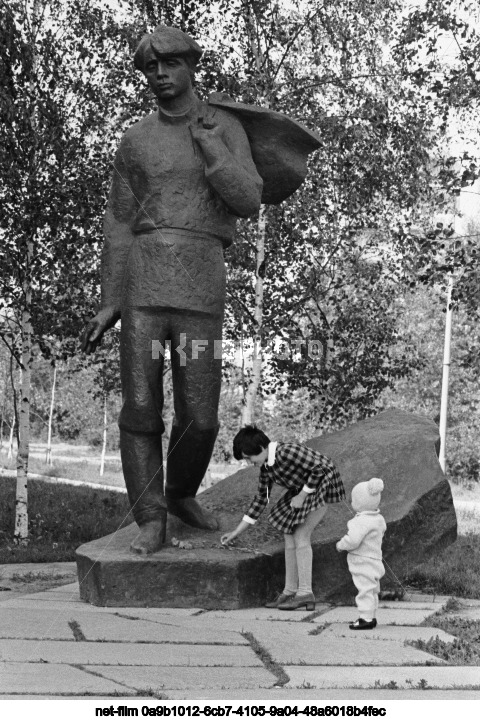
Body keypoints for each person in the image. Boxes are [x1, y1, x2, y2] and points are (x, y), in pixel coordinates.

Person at [82, 25, 263, 554]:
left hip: (202, 280)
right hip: (143, 281)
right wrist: (111, 298)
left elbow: (248, 198)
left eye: (169, 65)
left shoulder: (222, 124)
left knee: (200, 416)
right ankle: (150, 518)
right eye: (150, 69)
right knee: (140, 409)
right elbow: (118, 221)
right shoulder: (136, 139)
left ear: (190, 65)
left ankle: (181, 492)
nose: (159, 76)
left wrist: (212, 149)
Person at [221, 426, 346, 610]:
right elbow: (261, 500)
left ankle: (305, 593)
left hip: (322, 483)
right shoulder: (265, 468)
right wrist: (235, 532)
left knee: (301, 535)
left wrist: (302, 496)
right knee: (288, 533)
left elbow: (321, 467)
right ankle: (290, 591)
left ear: (262, 447)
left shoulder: (287, 451)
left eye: (249, 457)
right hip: (302, 489)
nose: (248, 462)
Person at [336, 477, 387, 630]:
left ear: (359, 503)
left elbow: (353, 540)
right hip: (376, 560)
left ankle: (365, 618)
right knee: (372, 590)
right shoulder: (379, 519)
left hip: (362, 562)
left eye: (353, 500)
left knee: (364, 590)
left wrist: (341, 545)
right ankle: (372, 617)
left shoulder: (360, 522)